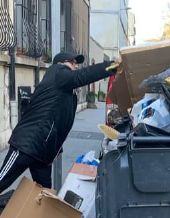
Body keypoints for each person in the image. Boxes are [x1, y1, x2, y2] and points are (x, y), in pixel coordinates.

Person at [0, 52, 118, 194]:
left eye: (76, 63)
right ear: (61, 63)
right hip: (27, 144)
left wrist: (56, 147)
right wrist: (112, 66)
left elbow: (58, 122)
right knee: (2, 180)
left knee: (44, 196)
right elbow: (82, 76)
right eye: (72, 62)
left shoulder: (65, 90)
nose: (76, 66)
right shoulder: (58, 72)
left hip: (43, 152)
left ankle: (39, 217)